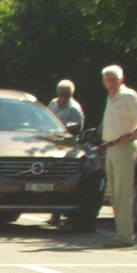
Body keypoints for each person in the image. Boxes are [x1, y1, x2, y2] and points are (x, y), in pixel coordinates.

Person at [99, 65, 137, 248]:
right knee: (115, 194)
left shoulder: (127, 96)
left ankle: (125, 236)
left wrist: (134, 133)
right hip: (112, 148)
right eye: (107, 79)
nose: (110, 82)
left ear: (122, 79)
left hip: (124, 148)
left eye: (113, 78)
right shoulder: (112, 98)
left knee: (123, 193)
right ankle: (121, 233)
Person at [46, 80, 84, 225]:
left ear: (71, 95)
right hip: (50, 146)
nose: (62, 98)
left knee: (60, 181)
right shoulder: (53, 104)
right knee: (49, 180)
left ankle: (60, 214)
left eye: (65, 95)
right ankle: (53, 213)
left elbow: (76, 131)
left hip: (65, 150)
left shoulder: (74, 109)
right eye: (60, 94)